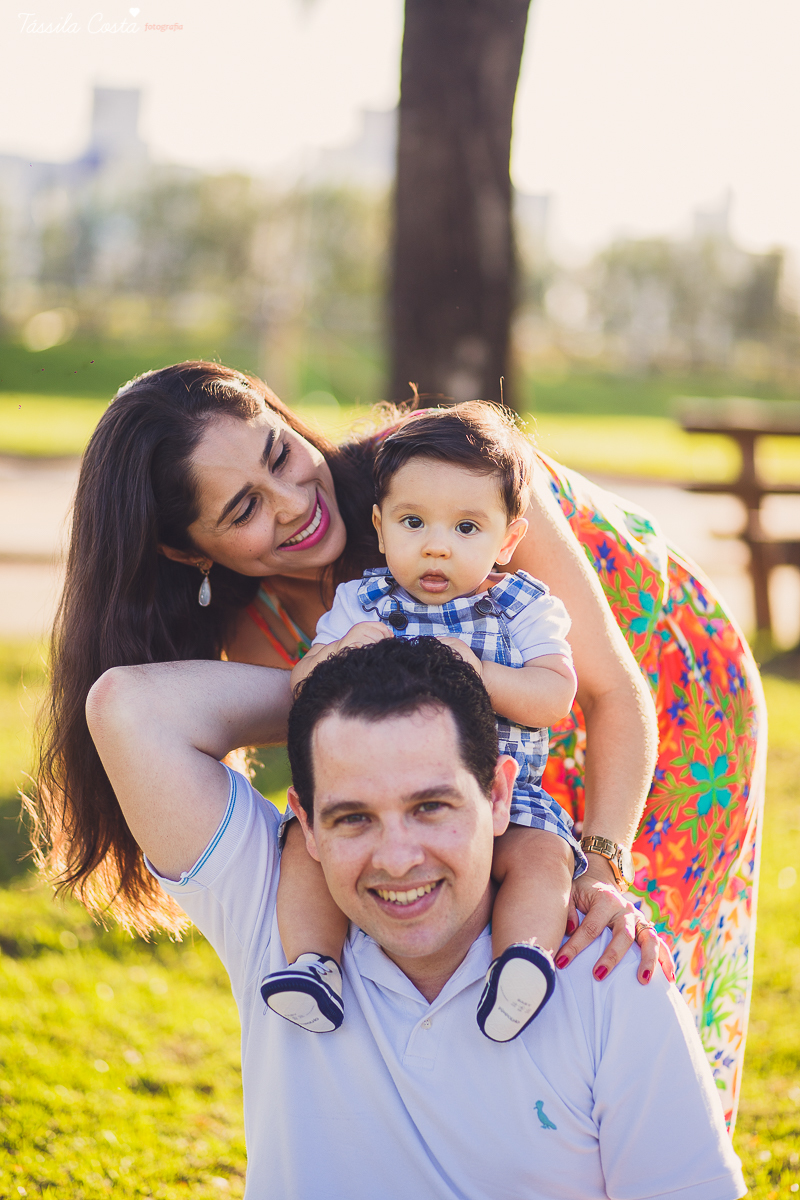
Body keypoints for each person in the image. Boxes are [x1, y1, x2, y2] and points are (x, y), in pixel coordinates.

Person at [32, 361, 765, 1127]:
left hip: (671, 698)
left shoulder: (444, 474)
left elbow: (611, 692)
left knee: (623, 961)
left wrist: (607, 861)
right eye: (246, 506)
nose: (294, 504)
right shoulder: (257, 633)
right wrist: (321, 671)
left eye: (280, 454)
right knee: (519, 989)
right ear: (189, 554)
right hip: (498, 746)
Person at [85, 637, 746, 1200]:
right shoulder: (276, 912)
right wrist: (337, 682)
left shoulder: (604, 964)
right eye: (353, 817)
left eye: (431, 807)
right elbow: (129, 710)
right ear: (306, 824)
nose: (397, 860)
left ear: (498, 795)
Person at [261, 404, 583, 1042]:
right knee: (304, 844)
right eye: (413, 522)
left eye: (467, 527)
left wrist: (482, 673)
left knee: (544, 858)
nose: (437, 545)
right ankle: (312, 966)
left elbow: (554, 698)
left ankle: (519, 966)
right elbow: (300, 687)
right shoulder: (364, 600)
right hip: (385, 792)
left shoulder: (522, 605)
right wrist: (341, 647)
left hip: (504, 796)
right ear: (380, 528)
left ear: (507, 540)